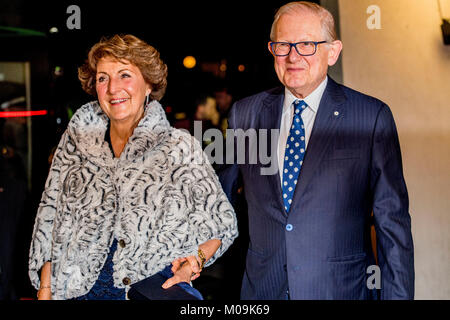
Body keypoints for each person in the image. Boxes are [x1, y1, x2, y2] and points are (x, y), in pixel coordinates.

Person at [218, 1, 414, 299]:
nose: (293, 56)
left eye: (307, 44)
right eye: (283, 45)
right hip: (263, 292)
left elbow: (393, 225)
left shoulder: (370, 118)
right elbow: (219, 203)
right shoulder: (245, 115)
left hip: (340, 291)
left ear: (332, 52)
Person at [28, 34, 238, 300]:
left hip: (145, 290)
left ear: (148, 84)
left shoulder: (178, 147)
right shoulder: (76, 143)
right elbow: (50, 218)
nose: (113, 88)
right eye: (103, 78)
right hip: (74, 292)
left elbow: (222, 225)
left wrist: (193, 262)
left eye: (124, 75)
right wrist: (45, 290)